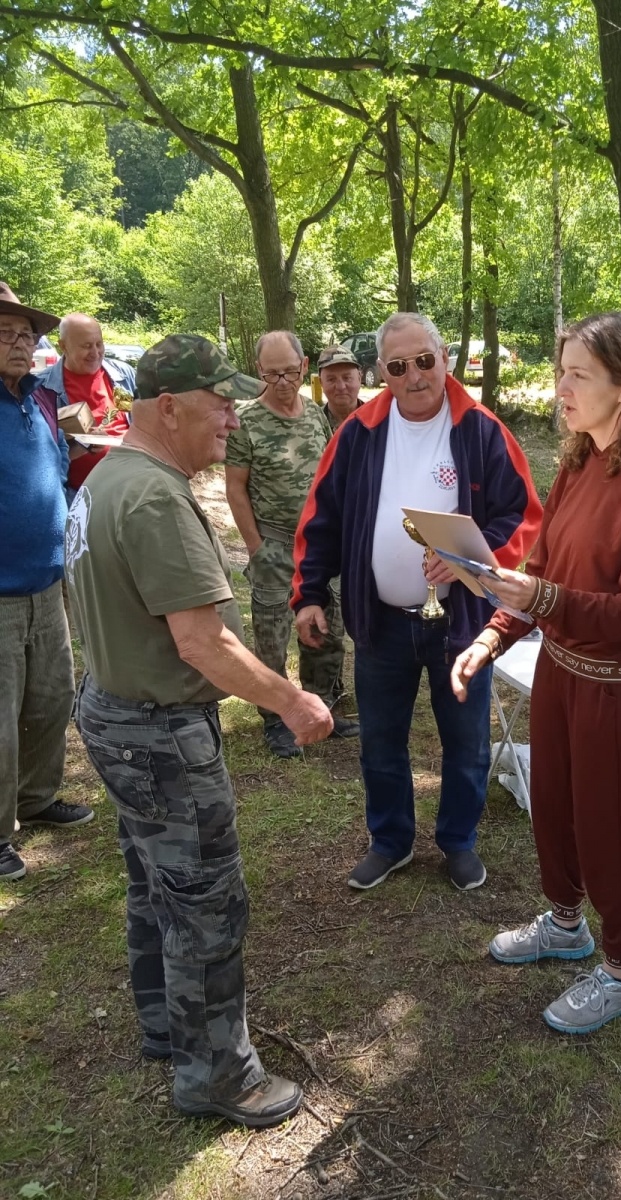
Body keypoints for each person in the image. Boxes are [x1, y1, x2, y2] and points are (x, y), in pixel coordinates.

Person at [66, 334, 333, 1126]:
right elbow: (202, 641)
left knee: (155, 882)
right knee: (206, 902)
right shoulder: (153, 497)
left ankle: (165, 1026)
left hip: (113, 712)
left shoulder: (110, 478)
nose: (233, 415)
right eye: (220, 401)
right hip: (157, 732)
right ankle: (217, 1075)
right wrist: (290, 700)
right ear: (168, 406)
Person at [451, 312, 621, 1034]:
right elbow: (541, 571)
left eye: (577, 374)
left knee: (608, 829)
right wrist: (495, 635)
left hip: (620, 690)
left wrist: (544, 599)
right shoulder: (578, 460)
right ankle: (566, 927)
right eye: (560, 370)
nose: (559, 386)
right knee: (553, 810)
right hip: (560, 671)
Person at [292, 312, 542, 891]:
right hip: (379, 621)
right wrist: (308, 594)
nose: (414, 375)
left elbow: (524, 515)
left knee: (466, 742)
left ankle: (458, 842)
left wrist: (472, 562)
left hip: (460, 625)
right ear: (383, 371)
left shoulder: (480, 429)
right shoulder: (359, 432)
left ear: (444, 359)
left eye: (424, 361)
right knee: (380, 740)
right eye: (399, 366)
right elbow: (320, 517)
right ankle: (391, 841)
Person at [225, 331, 358, 755]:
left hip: (318, 547)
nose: (281, 382)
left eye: (289, 372)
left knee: (328, 630)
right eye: (271, 373)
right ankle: (277, 719)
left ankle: (322, 706)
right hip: (275, 544)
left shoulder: (316, 416)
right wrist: (255, 546)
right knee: (272, 637)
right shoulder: (246, 420)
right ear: (258, 371)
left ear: (303, 368)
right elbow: (235, 489)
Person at [0, 283, 93, 883]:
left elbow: (57, 472)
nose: (19, 345)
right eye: (5, 335)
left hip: (47, 582)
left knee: (51, 696)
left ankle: (35, 798)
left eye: (26, 336)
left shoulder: (36, 401)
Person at [37, 313, 137, 497]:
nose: (95, 352)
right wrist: (83, 444)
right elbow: (41, 458)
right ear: (63, 346)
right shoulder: (41, 387)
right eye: (86, 346)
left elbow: (145, 422)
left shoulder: (124, 374)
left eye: (99, 344)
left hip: (131, 486)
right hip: (79, 496)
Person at [317, 344, 365, 433]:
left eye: (347, 378)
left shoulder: (378, 420)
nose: (341, 387)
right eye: (331, 379)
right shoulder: (312, 425)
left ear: (359, 378)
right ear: (321, 383)